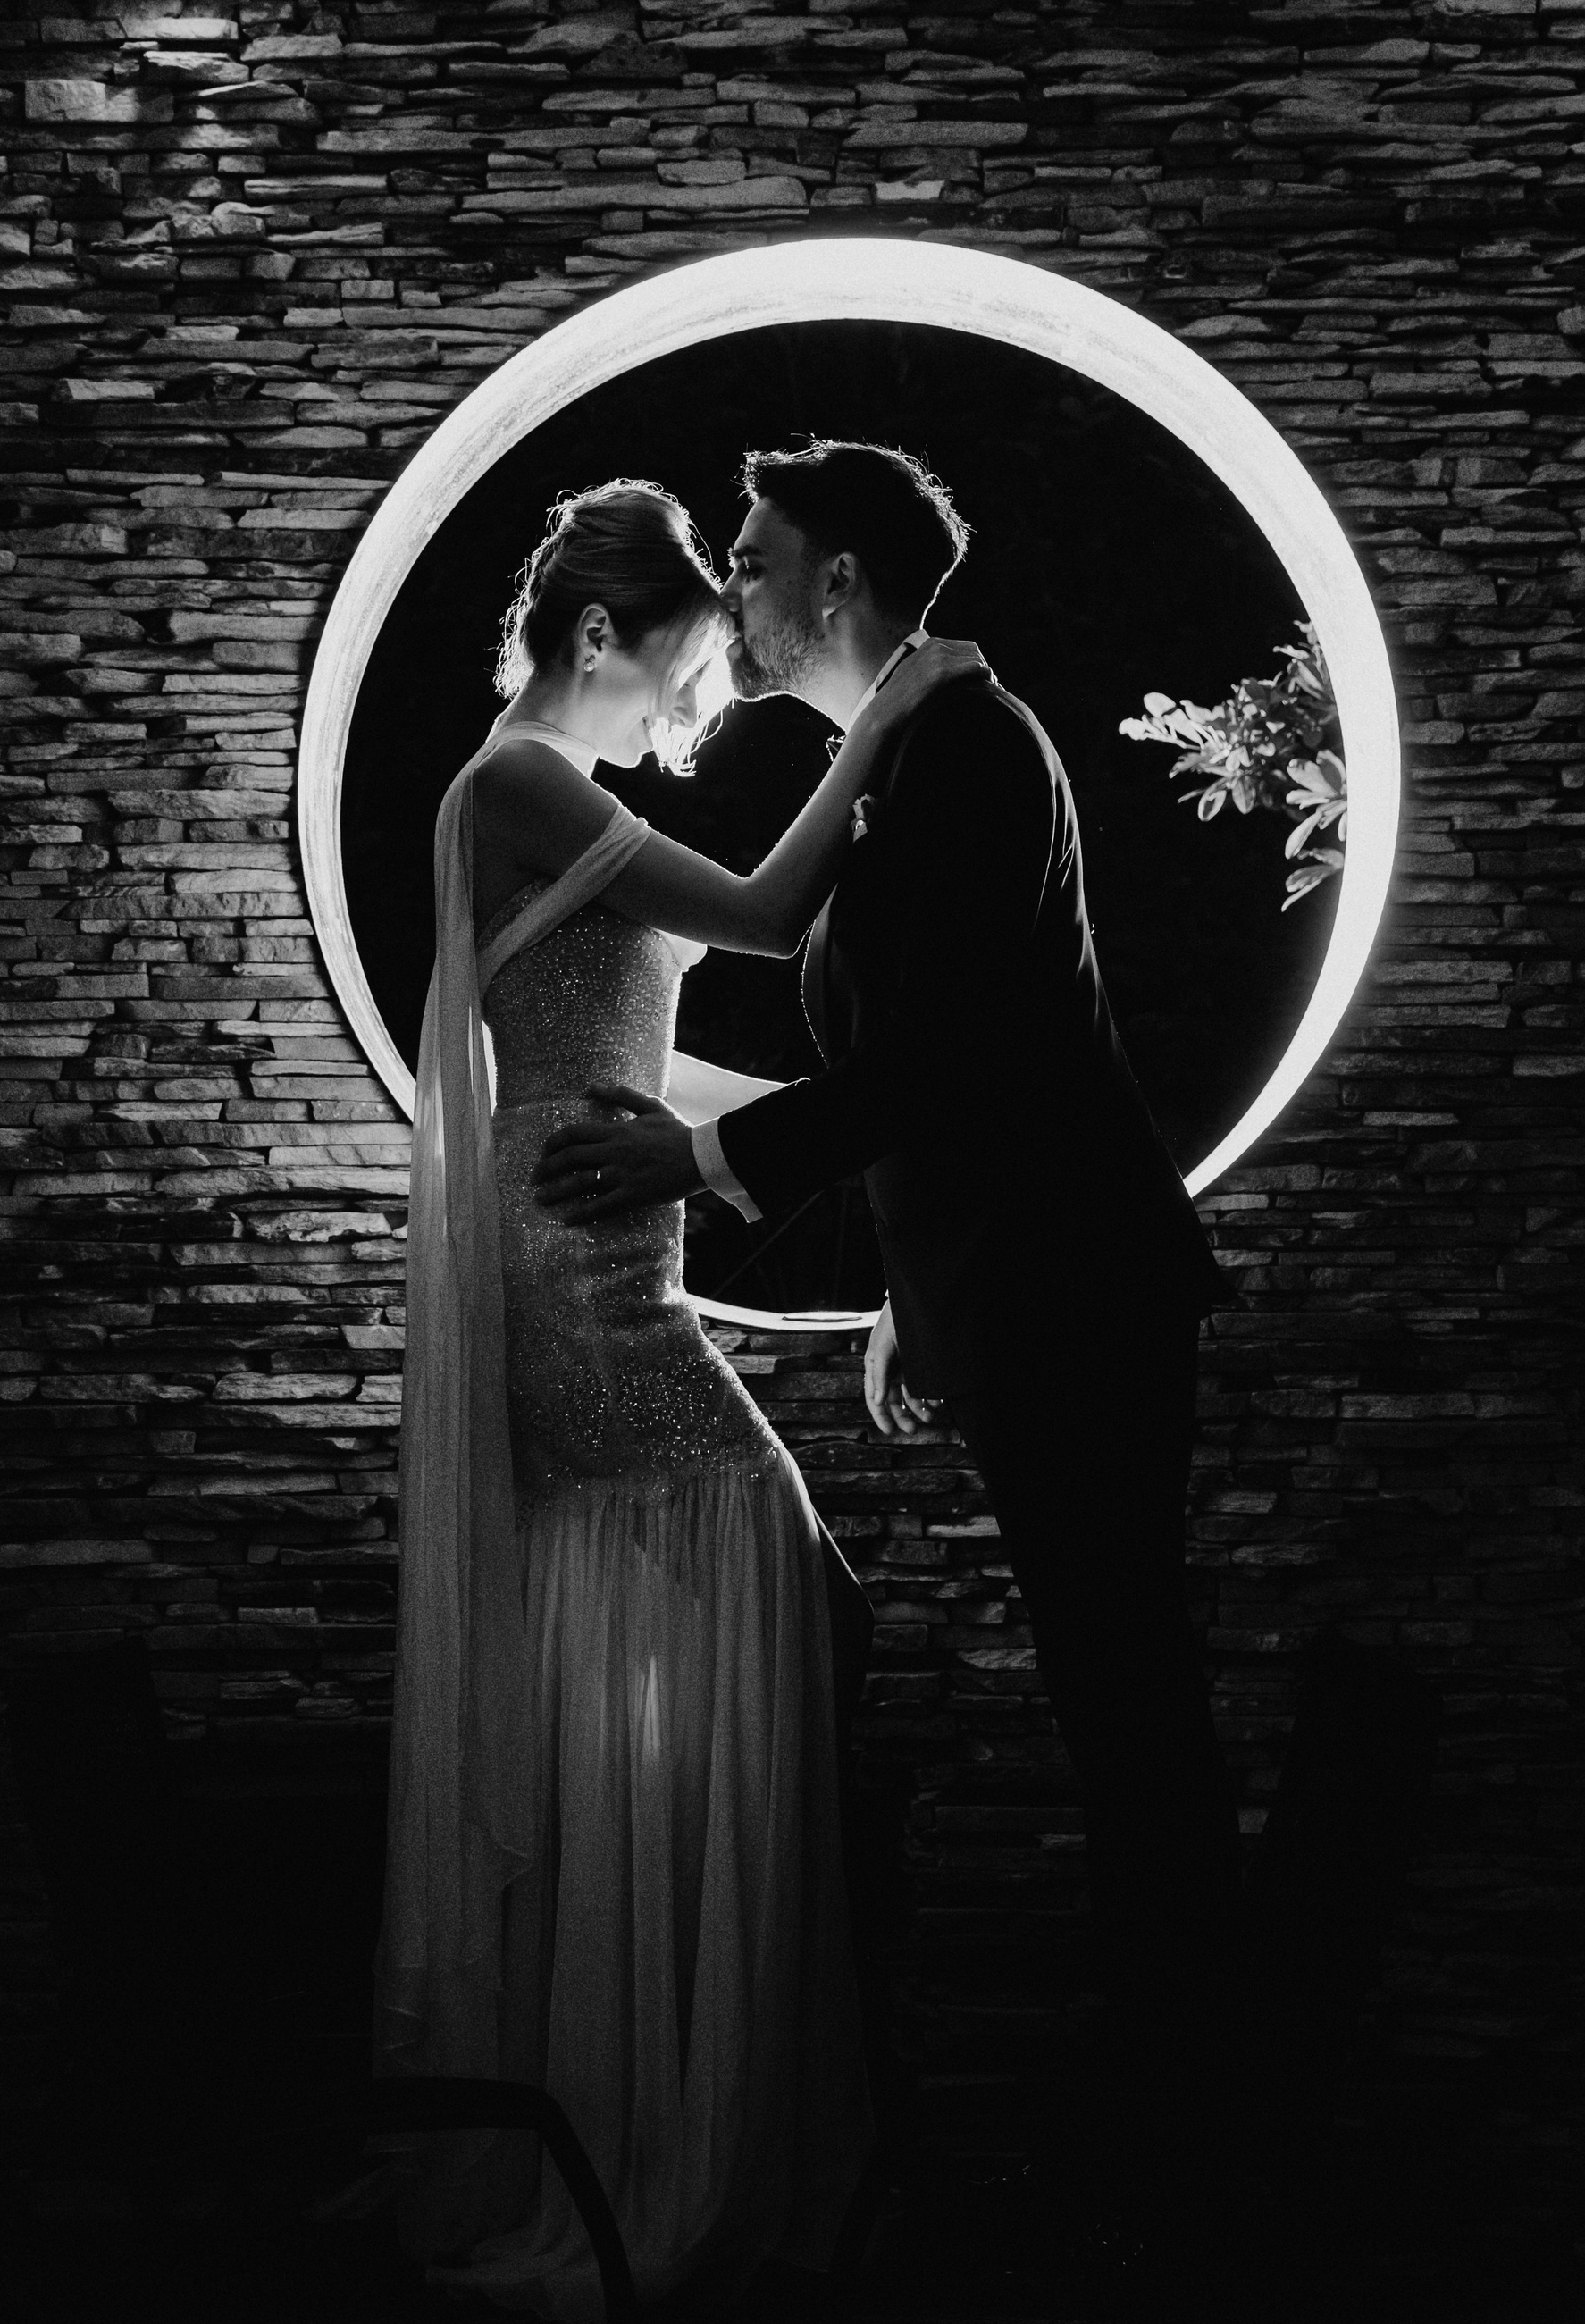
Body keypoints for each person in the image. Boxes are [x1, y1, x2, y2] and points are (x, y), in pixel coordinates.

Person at [533, 442, 1245, 2229]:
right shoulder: (917, 756)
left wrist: (699, 1159)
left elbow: (950, 1054)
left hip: (1078, 1297)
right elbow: (932, 1056)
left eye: (756, 558)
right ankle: (1166, 2111)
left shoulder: (974, 748)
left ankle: (1187, 2137)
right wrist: (907, 1292)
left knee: (1128, 1706)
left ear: (837, 578)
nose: (736, 591)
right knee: (1116, 1693)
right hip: (1018, 1291)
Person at [375, 477, 982, 2320]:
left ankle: (668, 2085)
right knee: (787, 1593)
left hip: (592, 1248)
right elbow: (778, 914)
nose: (700, 707)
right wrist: (889, 714)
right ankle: (694, 2118)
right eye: (686, 669)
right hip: (585, 1283)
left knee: (727, 1648)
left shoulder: (537, 795)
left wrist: (830, 1172)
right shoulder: (523, 783)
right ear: (594, 638)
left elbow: (632, 1063)